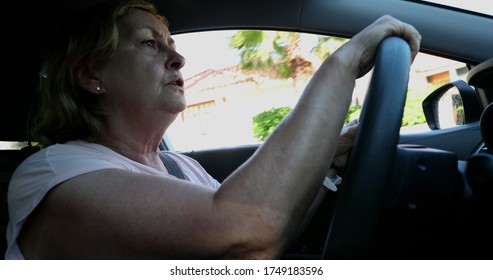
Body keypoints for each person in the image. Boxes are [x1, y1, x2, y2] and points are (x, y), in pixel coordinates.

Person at [5, 0, 421, 259]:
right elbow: (244, 232)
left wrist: (329, 161)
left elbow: (263, 244)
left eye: (171, 43)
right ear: (91, 74)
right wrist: (342, 65)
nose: (178, 58)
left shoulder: (180, 166)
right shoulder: (54, 173)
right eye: (150, 43)